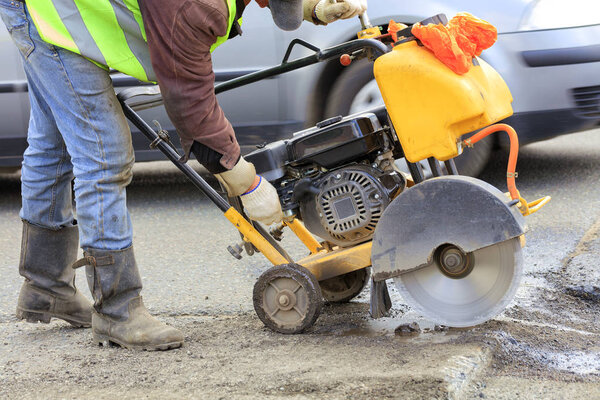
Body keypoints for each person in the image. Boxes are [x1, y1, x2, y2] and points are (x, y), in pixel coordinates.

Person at [0, 0, 367, 351]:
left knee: (53, 145)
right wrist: (246, 181)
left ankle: (46, 287)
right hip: (48, 9)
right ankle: (117, 308)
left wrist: (309, 8)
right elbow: (190, 105)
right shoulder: (191, 6)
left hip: (44, 6)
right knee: (104, 153)